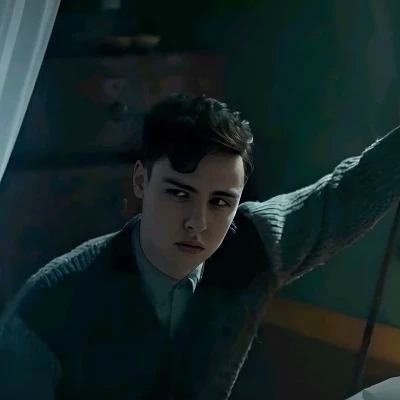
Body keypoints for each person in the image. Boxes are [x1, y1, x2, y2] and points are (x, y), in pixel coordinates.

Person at [0, 93, 399, 400]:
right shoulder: (48, 307)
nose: (198, 222)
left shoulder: (251, 248)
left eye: (221, 201)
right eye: (179, 193)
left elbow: (350, 192)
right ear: (141, 181)